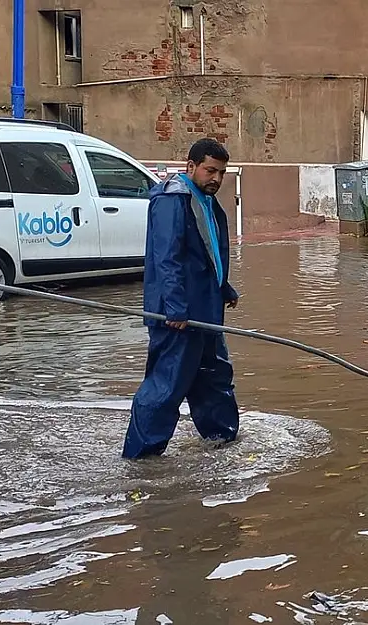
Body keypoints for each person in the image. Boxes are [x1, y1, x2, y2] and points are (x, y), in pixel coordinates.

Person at [123, 138, 241, 459]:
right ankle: (141, 459)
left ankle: (222, 442)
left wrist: (223, 287)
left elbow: (208, 254)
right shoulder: (172, 200)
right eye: (210, 170)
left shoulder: (206, 201)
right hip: (178, 317)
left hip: (206, 311)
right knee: (167, 385)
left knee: (214, 380)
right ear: (191, 166)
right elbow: (167, 257)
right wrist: (175, 306)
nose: (216, 178)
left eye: (221, 172)